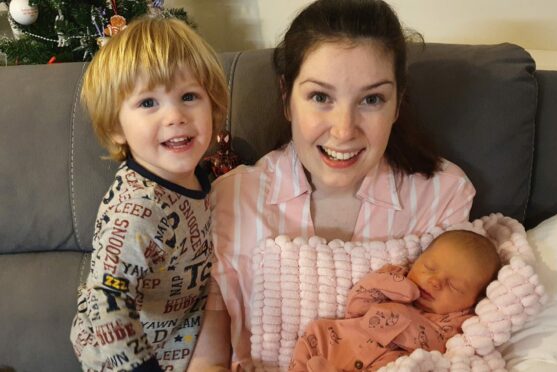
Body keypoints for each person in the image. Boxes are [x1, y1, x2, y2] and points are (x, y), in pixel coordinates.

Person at [190, 0, 476, 370]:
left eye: (371, 99)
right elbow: (207, 360)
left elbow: (457, 344)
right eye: (320, 97)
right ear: (287, 98)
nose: (344, 130)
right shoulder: (230, 201)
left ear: (397, 104)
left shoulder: (441, 198)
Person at [69, 17, 228, 371]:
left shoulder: (199, 176)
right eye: (148, 103)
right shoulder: (137, 209)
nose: (175, 115)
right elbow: (105, 301)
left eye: (189, 96)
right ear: (115, 128)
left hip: (179, 340)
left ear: (213, 108)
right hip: (124, 358)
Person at [289, 230, 501, 372]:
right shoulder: (392, 276)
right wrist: (399, 288)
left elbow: (436, 347)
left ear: (474, 300)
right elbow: (356, 306)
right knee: (317, 330)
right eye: (429, 268)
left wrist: (402, 318)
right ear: (417, 259)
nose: (435, 281)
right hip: (341, 345)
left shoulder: (457, 321)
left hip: (390, 363)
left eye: (454, 286)